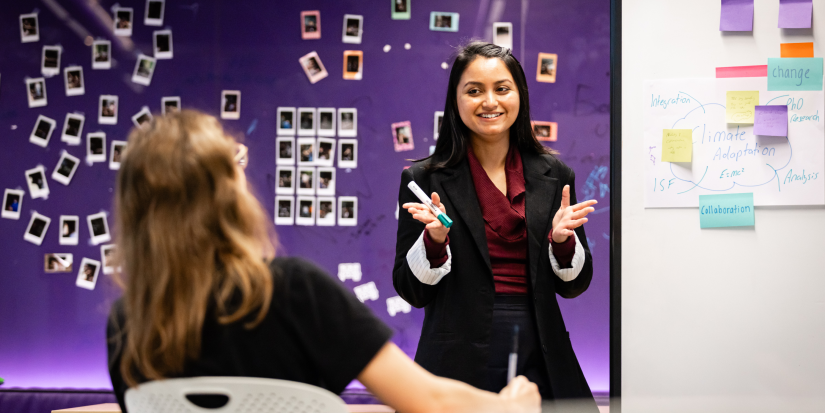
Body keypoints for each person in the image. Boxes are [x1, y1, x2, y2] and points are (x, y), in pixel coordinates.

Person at [106, 110, 540, 413]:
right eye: (235, 165)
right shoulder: (292, 289)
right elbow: (429, 402)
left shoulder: (128, 321)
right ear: (229, 198)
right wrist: (510, 406)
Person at [393, 42, 599, 409]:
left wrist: (562, 243)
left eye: (502, 89)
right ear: (455, 101)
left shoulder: (555, 175)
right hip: (453, 352)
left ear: (520, 95)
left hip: (541, 348)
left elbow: (574, 286)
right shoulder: (423, 178)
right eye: (474, 91)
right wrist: (434, 242)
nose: (490, 101)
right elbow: (412, 291)